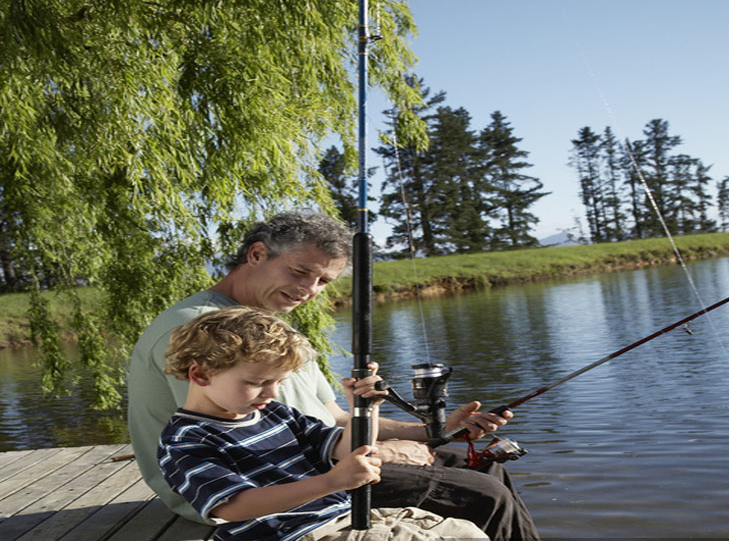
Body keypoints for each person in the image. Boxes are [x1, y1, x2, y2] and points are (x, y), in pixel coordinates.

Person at [128, 211, 540, 541]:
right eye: (299, 271)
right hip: (271, 483)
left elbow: (336, 421)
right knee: (483, 495)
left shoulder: (273, 334)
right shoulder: (210, 332)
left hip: (313, 461)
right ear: (256, 255)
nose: (310, 289)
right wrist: (385, 451)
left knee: (486, 469)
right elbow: (247, 438)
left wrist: (435, 430)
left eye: (323, 280)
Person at [157, 306, 488, 540]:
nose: (272, 393)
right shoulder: (186, 439)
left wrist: (363, 409)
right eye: (258, 382)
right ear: (200, 374)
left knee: (468, 534)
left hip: (340, 519)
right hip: (295, 535)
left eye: (279, 382)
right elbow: (233, 507)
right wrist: (331, 483)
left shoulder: (276, 414)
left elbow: (348, 449)